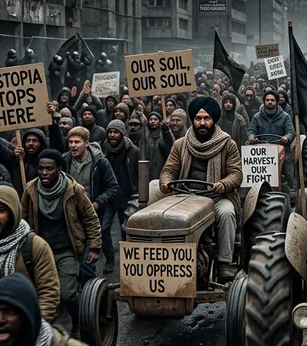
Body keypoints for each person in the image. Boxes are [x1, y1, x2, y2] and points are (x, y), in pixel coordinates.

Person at [159, 97, 243, 282]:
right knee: (162, 214)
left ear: (214, 120)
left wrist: (224, 184)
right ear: (192, 120)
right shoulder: (180, 144)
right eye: (198, 118)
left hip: (216, 197)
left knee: (227, 213)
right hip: (184, 197)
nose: (202, 123)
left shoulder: (227, 144)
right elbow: (169, 169)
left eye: (207, 118)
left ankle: (225, 263)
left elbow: (236, 174)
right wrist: (165, 181)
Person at [21, 149, 101, 330]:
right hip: (40, 252)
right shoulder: (30, 190)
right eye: (41, 168)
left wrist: (95, 246)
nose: (44, 173)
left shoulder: (74, 190)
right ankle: (54, 328)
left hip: (67, 250)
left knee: (67, 294)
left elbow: (90, 219)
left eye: (49, 169)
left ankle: (82, 318)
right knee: (42, 293)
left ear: (59, 169)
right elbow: (23, 218)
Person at [0, 185, 59, 337]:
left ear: (13, 213)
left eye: (0, 210)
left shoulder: (35, 246)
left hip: (25, 337)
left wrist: (32, 330)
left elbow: (49, 293)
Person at [63, 127, 118, 280]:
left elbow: (113, 187)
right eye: (70, 142)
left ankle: (90, 297)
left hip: (93, 216)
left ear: (86, 143)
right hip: (71, 217)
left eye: (77, 142)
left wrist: (97, 203)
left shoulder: (100, 163)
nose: (73, 145)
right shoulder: (64, 161)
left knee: (88, 263)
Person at [0, 105, 65, 195]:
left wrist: (52, 122)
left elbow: (57, 144)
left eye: (35, 141)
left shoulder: (48, 159)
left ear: (42, 143)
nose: (30, 143)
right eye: (27, 141)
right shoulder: (17, 159)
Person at [102, 121, 139, 274]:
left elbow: (139, 173)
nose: (112, 135)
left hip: (127, 196)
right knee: (103, 229)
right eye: (110, 132)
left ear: (122, 133)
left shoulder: (133, 151)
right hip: (109, 197)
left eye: (115, 132)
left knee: (127, 231)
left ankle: (128, 262)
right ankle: (110, 259)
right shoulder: (103, 149)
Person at [141, 110, 175, 180]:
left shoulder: (166, 134)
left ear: (159, 121)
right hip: (148, 170)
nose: (153, 121)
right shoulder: (145, 136)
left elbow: (170, 147)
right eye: (151, 119)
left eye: (155, 119)